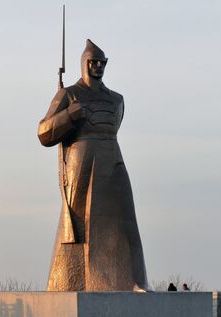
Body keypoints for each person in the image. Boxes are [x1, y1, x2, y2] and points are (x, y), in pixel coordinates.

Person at [38, 39, 149, 292]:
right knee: (78, 230)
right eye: (93, 62)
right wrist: (69, 115)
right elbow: (44, 132)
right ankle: (71, 283)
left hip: (113, 160)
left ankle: (134, 279)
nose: (98, 67)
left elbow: (114, 127)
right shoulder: (69, 95)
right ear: (84, 64)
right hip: (81, 165)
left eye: (102, 63)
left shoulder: (116, 100)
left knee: (126, 219)